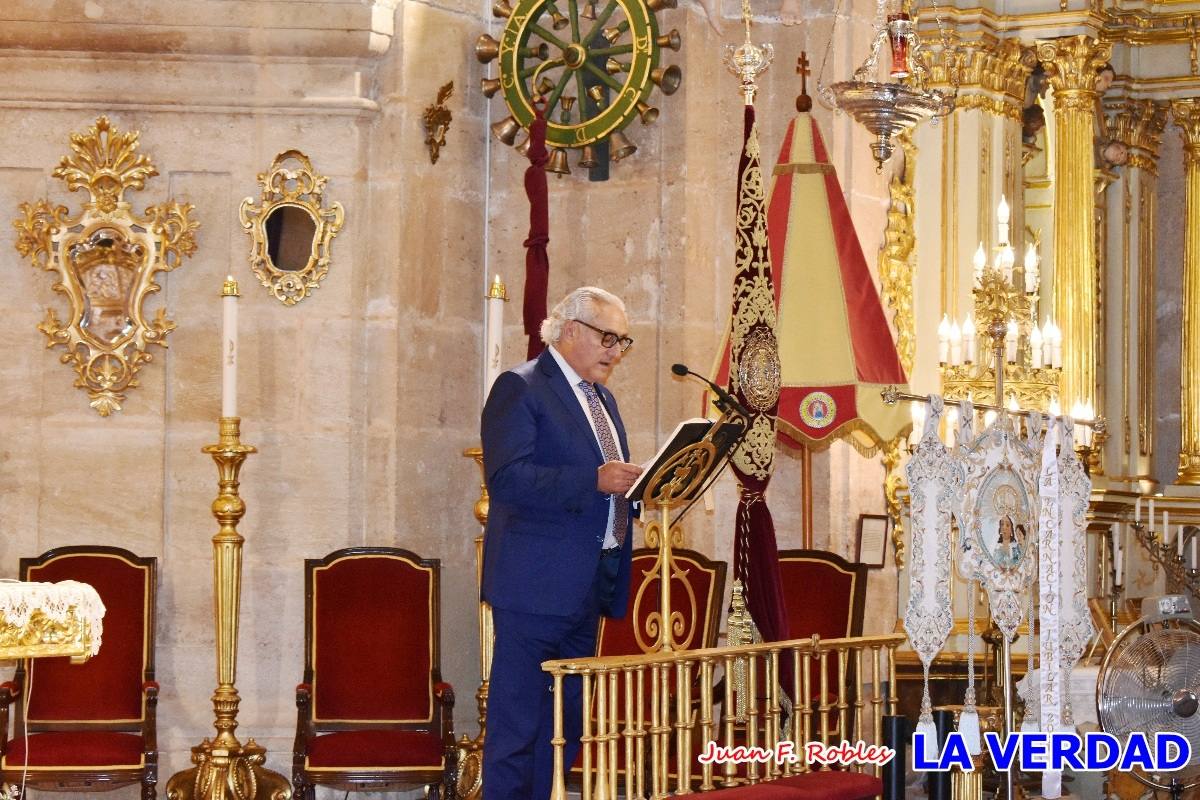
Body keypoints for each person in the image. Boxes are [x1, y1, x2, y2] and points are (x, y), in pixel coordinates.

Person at [480, 286, 644, 800]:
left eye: (623, 342)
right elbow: (507, 479)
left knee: (564, 729)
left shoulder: (602, 399)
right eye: (608, 338)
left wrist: (643, 487)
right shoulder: (521, 387)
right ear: (571, 329)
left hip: (587, 586)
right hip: (534, 588)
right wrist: (593, 481)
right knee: (518, 728)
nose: (615, 352)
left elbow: (606, 482)